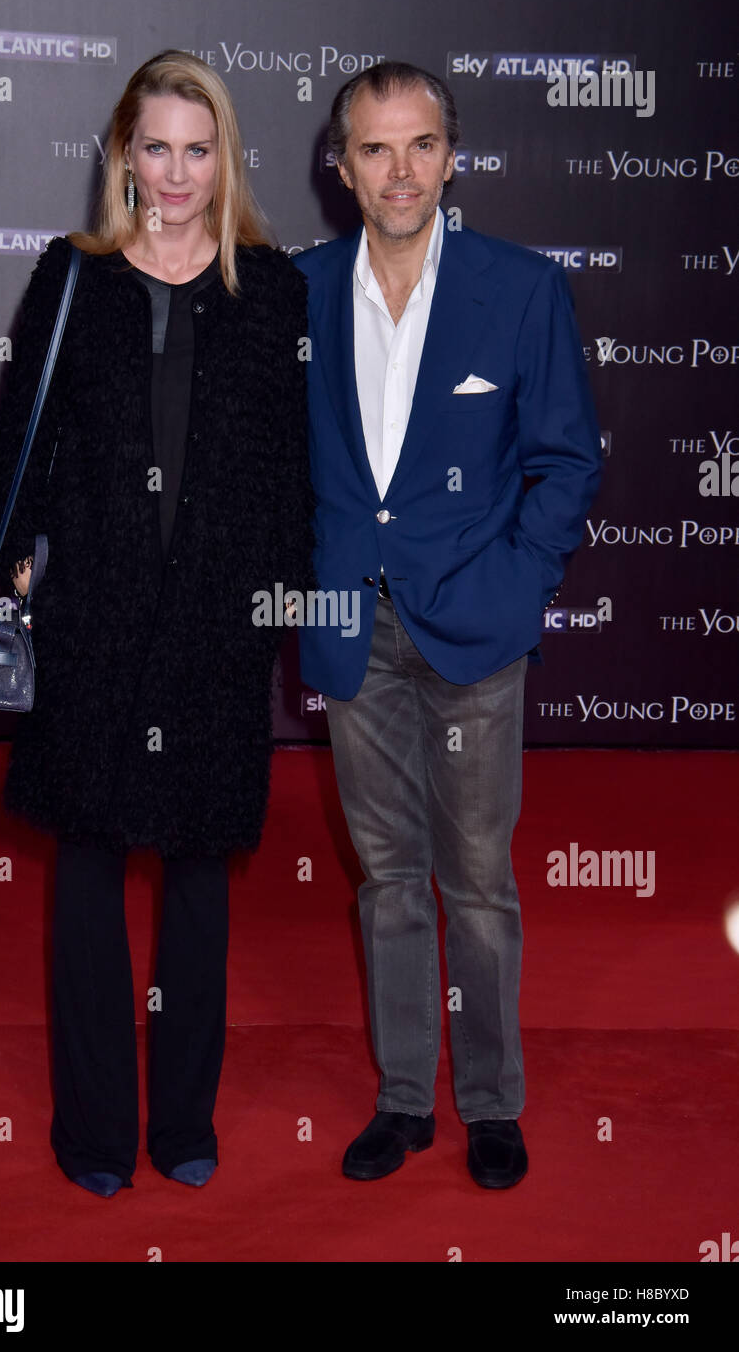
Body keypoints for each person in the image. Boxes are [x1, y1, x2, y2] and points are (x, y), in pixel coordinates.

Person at [0, 50, 314, 1197]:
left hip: (214, 628)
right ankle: (89, 1133)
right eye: (156, 147)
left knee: (197, 880)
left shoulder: (270, 289)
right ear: (125, 152)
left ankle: (180, 1122)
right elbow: (16, 443)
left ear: (224, 157)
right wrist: (17, 567)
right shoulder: (70, 277)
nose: (175, 173)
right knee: (85, 872)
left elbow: (289, 470)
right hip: (94, 623)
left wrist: (280, 603)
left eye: (198, 148)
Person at [294, 62, 602, 1188]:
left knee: (474, 876)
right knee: (386, 874)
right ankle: (401, 1099)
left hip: (475, 626)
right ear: (341, 166)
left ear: (451, 154)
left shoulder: (518, 289)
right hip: (348, 627)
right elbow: (284, 475)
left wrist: (517, 583)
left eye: (419, 144)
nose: (399, 170)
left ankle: (490, 1103)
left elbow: (565, 459)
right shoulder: (300, 289)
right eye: (374, 149)